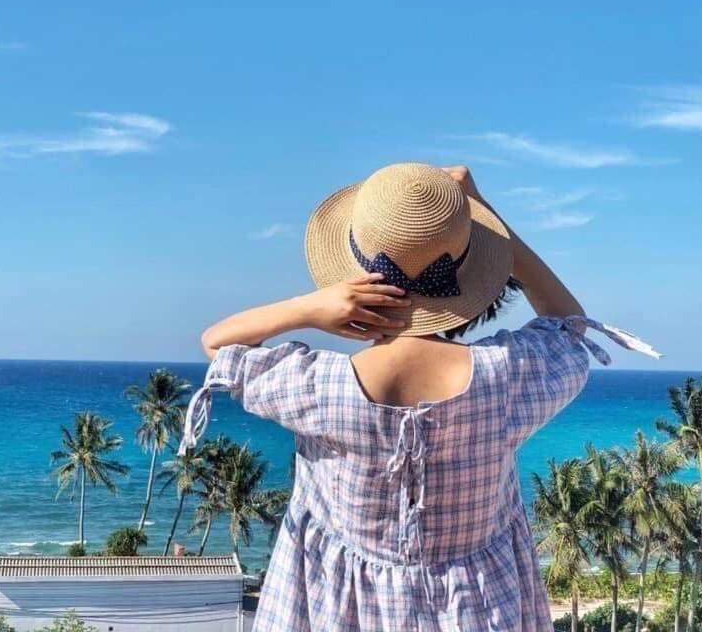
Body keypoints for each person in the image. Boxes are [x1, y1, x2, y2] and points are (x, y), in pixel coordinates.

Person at [179, 163, 658, 631]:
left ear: (349, 280)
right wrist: (487, 215)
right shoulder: (506, 379)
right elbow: (568, 326)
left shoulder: (316, 387)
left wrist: (311, 308)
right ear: (473, 285)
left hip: (337, 610)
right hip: (478, 608)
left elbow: (219, 344)